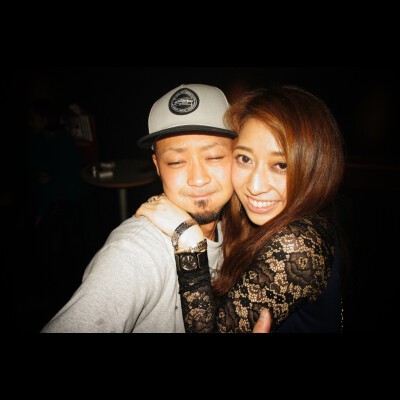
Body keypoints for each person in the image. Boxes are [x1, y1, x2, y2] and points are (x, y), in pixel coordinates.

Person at [41, 83, 270, 333]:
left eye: (213, 157)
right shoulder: (133, 252)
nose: (198, 178)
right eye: (176, 161)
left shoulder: (234, 227)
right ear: (157, 166)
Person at [135, 84, 345, 333]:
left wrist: (189, 241)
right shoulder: (247, 219)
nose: (255, 187)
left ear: (315, 165)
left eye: (281, 165)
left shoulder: (297, 243)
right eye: (245, 159)